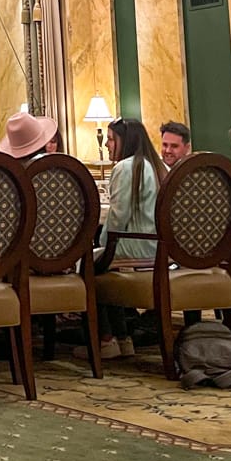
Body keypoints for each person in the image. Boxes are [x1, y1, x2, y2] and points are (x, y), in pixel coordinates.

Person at [85, 117, 167, 360]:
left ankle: (106, 338)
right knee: (101, 264)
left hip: (134, 246)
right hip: (160, 248)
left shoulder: (125, 168)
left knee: (88, 267)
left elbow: (118, 218)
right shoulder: (161, 167)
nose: (108, 145)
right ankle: (123, 338)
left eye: (111, 140)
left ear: (125, 141)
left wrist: (101, 246)